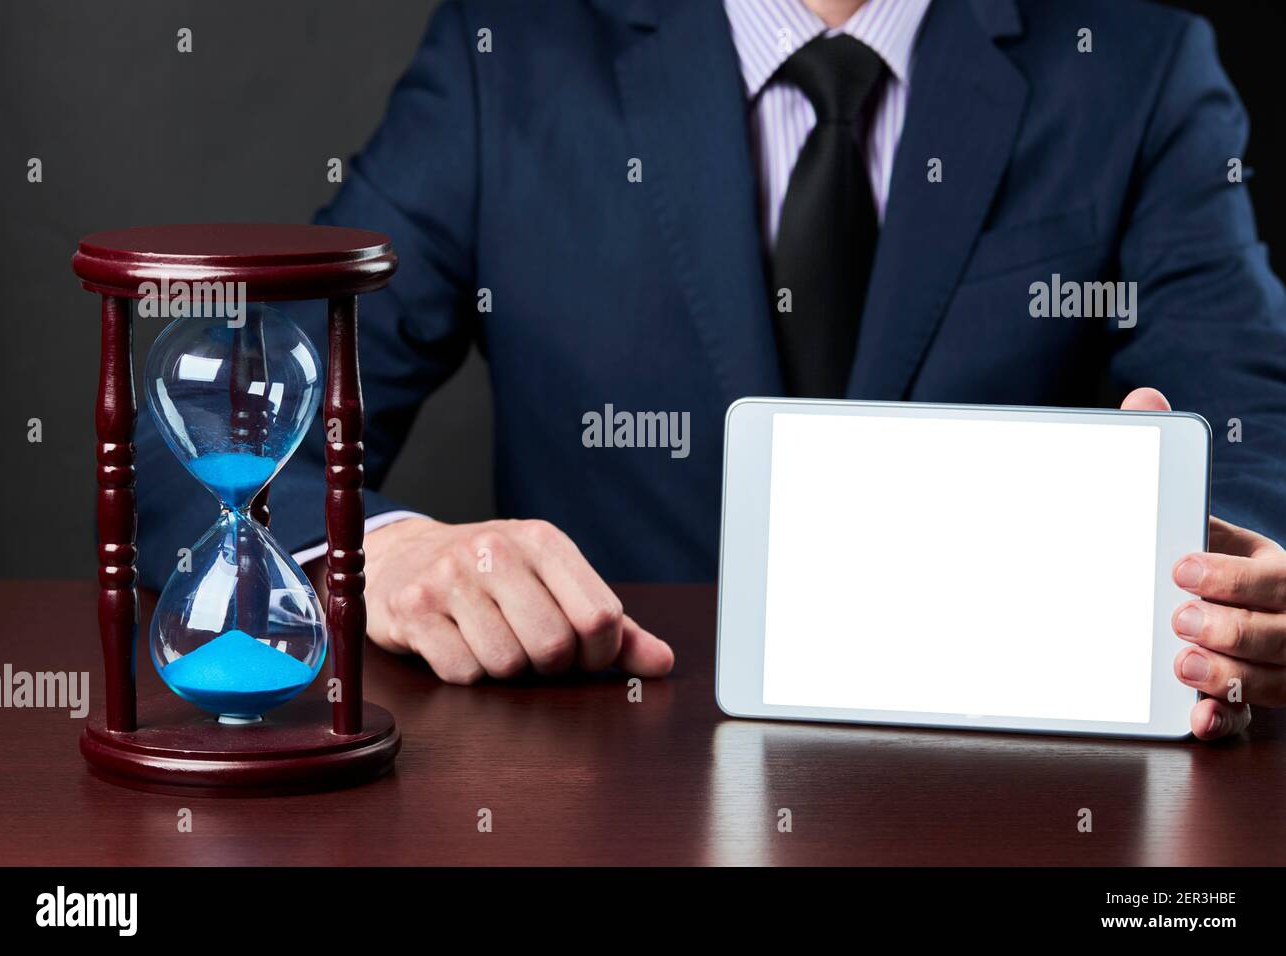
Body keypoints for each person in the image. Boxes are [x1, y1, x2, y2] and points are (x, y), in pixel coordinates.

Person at [135, 0, 1286, 739]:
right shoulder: (508, 55)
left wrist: (1227, 590)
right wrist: (383, 551)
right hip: (606, 771)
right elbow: (224, 402)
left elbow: (1250, 431)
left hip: (1013, 779)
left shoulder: (1135, 62)